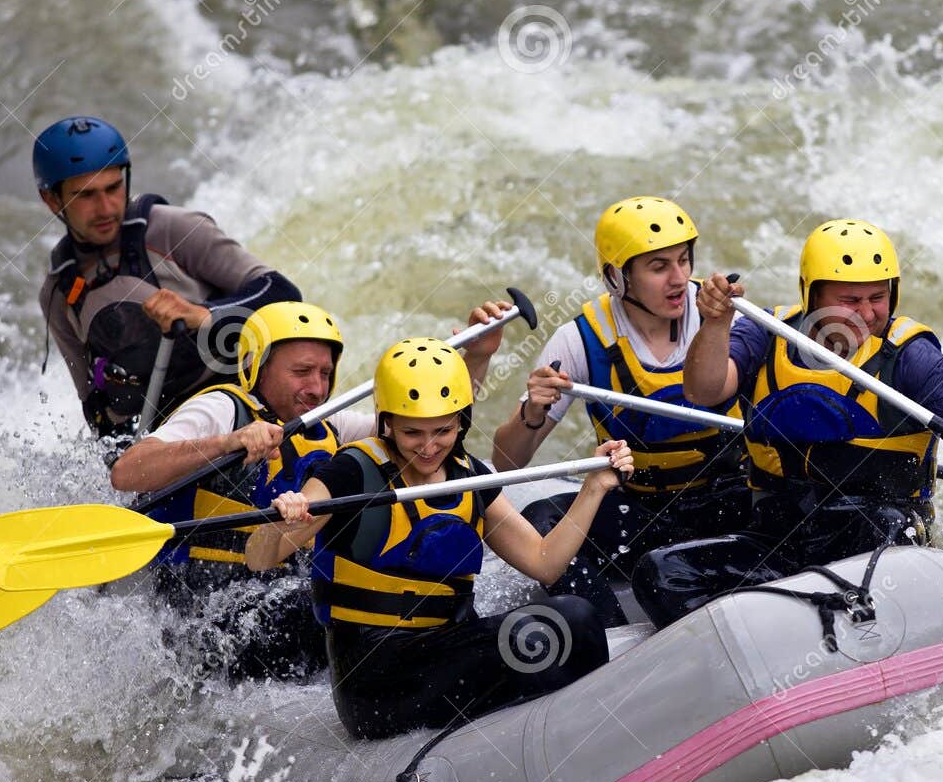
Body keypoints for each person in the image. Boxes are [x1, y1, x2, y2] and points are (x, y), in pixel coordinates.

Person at [632, 218, 943, 627]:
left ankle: (824, 624)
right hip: (779, 538)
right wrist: (716, 323)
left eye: (877, 297)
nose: (867, 313)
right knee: (661, 572)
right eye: (850, 300)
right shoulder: (766, 333)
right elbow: (703, 391)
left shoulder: (908, 355)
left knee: (881, 526)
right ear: (812, 295)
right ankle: (764, 640)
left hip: (879, 542)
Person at [247, 338, 633, 739]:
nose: (429, 447)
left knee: (574, 618)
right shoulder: (352, 472)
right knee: (569, 620)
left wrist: (595, 487)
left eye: (443, 431)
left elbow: (544, 562)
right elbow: (259, 557)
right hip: (377, 677)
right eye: (413, 432)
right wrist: (286, 522)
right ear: (387, 422)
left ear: (462, 421)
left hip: (446, 648)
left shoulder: (470, 475)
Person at [112, 299, 514, 680]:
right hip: (206, 604)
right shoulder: (221, 409)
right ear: (257, 367)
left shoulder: (328, 424)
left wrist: (476, 358)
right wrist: (228, 442)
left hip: (280, 589)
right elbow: (127, 472)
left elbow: (425, 428)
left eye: (324, 373)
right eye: (302, 372)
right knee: (329, 610)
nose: (317, 388)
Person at [491, 196, 747, 626]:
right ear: (616, 277)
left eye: (684, 260)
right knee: (539, 521)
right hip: (643, 513)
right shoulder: (579, 339)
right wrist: (533, 411)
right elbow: (506, 462)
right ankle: (609, 635)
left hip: (728, 505)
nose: (679, 278)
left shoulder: (724, 319)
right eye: (659, 266)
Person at [34, 116, 302, 438]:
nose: (106, 208)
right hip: (170, 441)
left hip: (244, 409)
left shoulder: (174, 230)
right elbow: (96, 409)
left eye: (113, 187)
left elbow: (283, 293)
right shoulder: (60, 292)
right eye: (86, 196)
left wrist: (204, 316)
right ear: (52, 200)